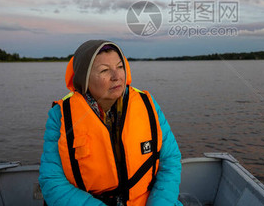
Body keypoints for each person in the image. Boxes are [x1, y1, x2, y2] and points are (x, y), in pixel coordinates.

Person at [39, 40, 183, 206]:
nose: (117, 76)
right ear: (84, 79)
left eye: (120, 67)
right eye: (105, 70)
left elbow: (170, 160)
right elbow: (52, 181)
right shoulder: (61, 115)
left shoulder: (147, 104)